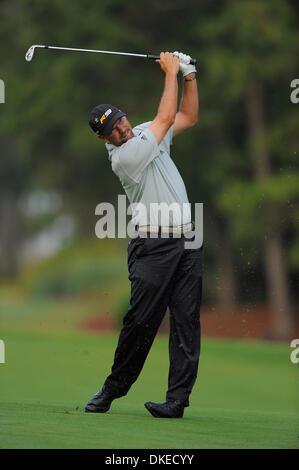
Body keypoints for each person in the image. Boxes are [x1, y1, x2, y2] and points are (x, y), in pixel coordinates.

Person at [85, 51, 202, 418]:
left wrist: (188, 75)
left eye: (120, 121)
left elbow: (187, 116)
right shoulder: (124, 157)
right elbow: (167, 116)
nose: (121, 129)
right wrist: (170, 71)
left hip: (187, 242)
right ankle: (112, 389)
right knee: (141, 322)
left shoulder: (143, 133)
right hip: (152, 246)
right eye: (113, 130)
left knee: (186, 321)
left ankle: (177, 401)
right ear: (105, 138)